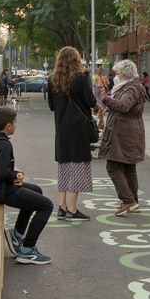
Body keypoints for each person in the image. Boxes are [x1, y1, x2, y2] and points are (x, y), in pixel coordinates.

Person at [0, 106, 54, 264]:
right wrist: (16, 175)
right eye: (15, 122)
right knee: (46, 206)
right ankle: (27, 250)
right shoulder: (4, 144)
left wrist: (13, 176)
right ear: (9, 125)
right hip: (0, 191)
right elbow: (4, 173)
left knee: (37, 191)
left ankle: (17, 234)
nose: (16, 124)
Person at [47, 46, 97, 221]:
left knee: (64, 166)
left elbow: (52, 106)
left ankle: (61, 206)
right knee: (77, 166)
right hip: (79, 129)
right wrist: (87, 78)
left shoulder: (52, 79)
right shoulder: (80, 78)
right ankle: (73, 208)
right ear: (76, 60)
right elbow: (91, 101)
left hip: (61, 130)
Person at [98, 59, 147, 217]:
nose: (116, 76)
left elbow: (124, 106)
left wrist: (105, 99)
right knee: (128, 167)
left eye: (118, 73)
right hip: (128, 131)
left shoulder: (132, 88)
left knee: (113, 167)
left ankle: (128, 201)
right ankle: (132, 201)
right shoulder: (133, 86)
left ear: (124, 74)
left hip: (124, 133)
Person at [94, 66, 109, 131]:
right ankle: (104, 109)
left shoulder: (96, 76)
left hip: (97, 88)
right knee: (103, 99)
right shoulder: (105, 76)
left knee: (98, 100)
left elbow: (94, 83)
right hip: (103, 88)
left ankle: (100, 110)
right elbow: (108, 83)